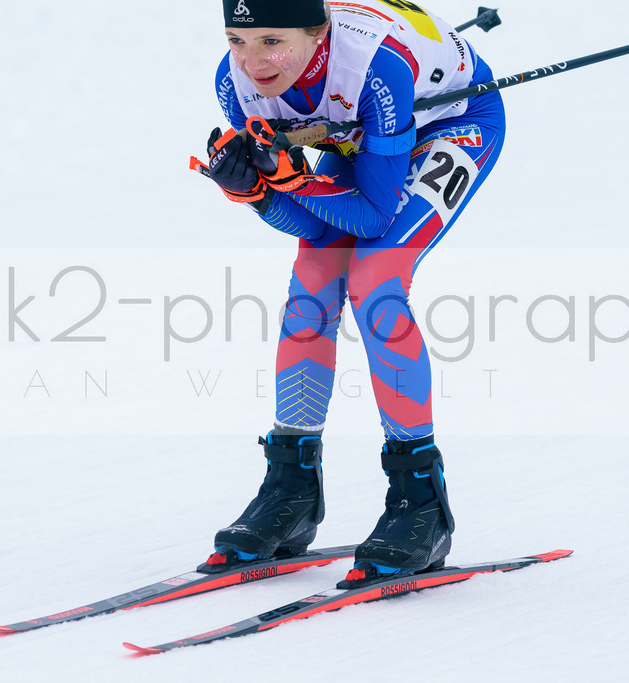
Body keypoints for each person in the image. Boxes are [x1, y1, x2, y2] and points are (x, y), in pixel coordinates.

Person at [201, 0, 505, 586]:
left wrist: (289, 180)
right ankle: (290, 492)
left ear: (318, 32)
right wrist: (260, 195)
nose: (253, 60)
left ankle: (422, 503)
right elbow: (313, 226)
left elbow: (368, 218)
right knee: (312, 288)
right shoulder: (233, 80)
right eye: (237, 39)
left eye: (271, 40)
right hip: (364, 137)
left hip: (451, 123)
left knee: (376, 282)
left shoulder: (375, 67)